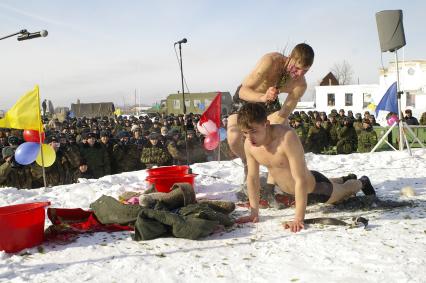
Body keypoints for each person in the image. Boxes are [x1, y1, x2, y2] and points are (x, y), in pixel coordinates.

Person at [236, 103, 376, 232]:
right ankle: (344, 178)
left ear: (266, 124)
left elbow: (300, 178)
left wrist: (298, 218)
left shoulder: (286, 137)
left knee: (345, 192)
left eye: (253, 131)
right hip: (294, 191)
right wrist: (253, 213)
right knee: (335, 184)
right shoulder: (249, 145)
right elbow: (252, 178)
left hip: (315, 189)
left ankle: (362, 181)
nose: (249, 138)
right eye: (245, 133)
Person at [227, 43, 314, 201]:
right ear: (289, 59)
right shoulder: (271, 61)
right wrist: (261, 97)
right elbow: (243, 91)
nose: (299, 74)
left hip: (269, 102)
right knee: (233, 137)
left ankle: (270, 185)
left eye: (305, 70)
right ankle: (248, 161)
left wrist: (270, 135)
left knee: (282, 132)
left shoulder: (300, 84)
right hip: (249, 96)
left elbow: (283, 113)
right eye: (296, 68)